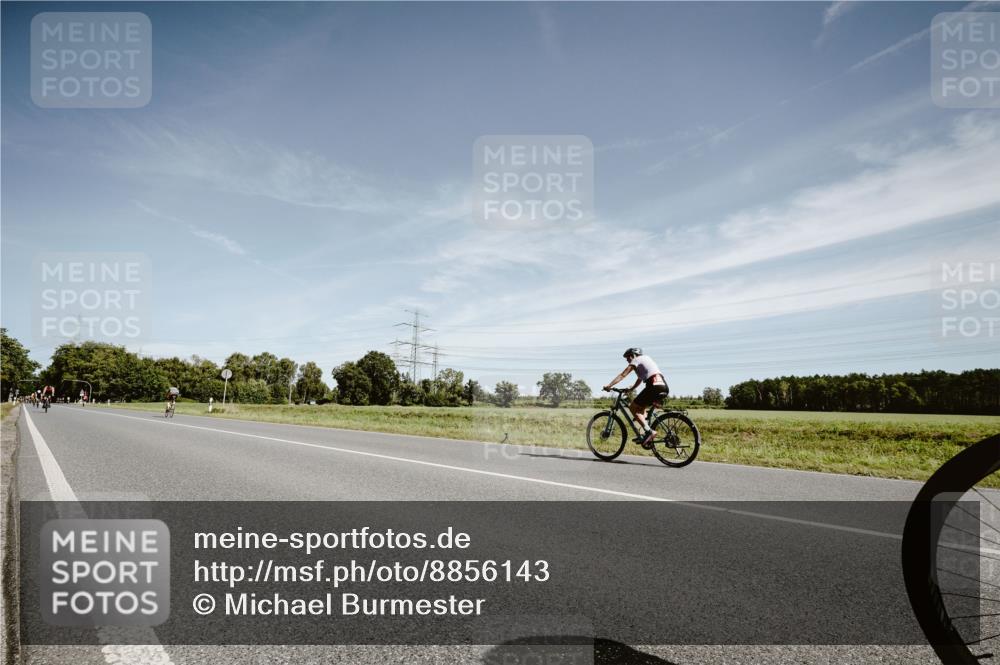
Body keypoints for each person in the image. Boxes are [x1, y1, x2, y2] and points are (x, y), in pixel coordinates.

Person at [602, 347, 670, 449]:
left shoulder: (636, 360)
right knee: (641, 409)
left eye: (628, 357)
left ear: (633, 355)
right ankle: (645, 434)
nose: (627, 360)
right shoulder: (646, 359)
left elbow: (623, 375)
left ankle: (650, 432)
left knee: (633, 407)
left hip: (653, 386)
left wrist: (609, 385)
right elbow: (640, 379)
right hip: (663, 386)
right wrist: (631, 389)